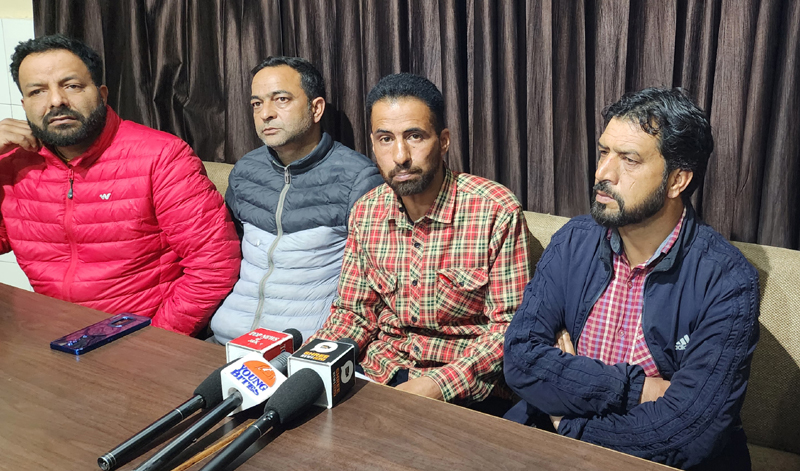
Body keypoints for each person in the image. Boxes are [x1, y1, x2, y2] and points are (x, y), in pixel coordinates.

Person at [503, 88, 759, 470]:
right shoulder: (574, 241)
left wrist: (570, 423)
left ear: (677, 180)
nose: (603, 173)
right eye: (604, 152)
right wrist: (638, 388)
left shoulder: (728, 281)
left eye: (629, 159)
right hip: (550, 442)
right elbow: (520, 358)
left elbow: (690, 431)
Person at [311, 73, 531, 410]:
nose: (400, 156)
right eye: (386, 139)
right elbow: (354, 313)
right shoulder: (366, 212)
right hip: (380, 372)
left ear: (443, 141)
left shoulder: (495, 211)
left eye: (414, 136)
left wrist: (437, 385)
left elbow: (509, 328)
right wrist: (311, 362)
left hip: (463, 388)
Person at [0, 34, 240, 336]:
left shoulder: (161, 156)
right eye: (37, 91)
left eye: (71, 86)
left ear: (102, 94)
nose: (56, 101)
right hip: (52, 336)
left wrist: (155, 340)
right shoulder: (13, 162)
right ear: (24, 104)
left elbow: (214, 265)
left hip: (141, 337)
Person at [208, 56, 383, 344]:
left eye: (281, 99)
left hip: (297, 349)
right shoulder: (246, 171)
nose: (266, 114)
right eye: (257, 103)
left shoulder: (357, 178)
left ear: (316, 109)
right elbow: (223, 258)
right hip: (224, 338)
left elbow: (371, 286)